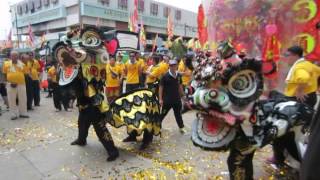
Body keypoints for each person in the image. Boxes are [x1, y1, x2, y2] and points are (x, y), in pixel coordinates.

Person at [268, 46, 320, 166]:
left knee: (280, 131)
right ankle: (282, 156)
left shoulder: (299, 67)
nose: (286, 58)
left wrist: (300, 90)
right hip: (309, 99)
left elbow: (304, 77)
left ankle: (279, 158)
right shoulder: (308, 64)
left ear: (295, 56)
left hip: (298, 102)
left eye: (287, 55)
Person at [159, 59, 186, 134]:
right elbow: (161, 88)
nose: (173, 67)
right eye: (171, 66)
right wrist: (160, 99)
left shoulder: (179, 76)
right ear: (169, 66)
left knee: (178, 115)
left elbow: (180, 87)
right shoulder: (165, 76)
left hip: (177, 99)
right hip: (167, 100)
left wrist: (183, 96)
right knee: (163, 114)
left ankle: (181, 127)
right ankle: (157, 125)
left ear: (177, 66)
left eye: (174, 65)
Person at [2, 51, 29, 120]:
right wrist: (7, 82)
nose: (15, 57)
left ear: (18, 57)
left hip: (21, 84)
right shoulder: (6, 64)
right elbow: (4, 74)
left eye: (16, 56)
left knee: (23, 99)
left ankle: (23, 113)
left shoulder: (22, 64)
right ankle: (13, 114)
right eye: (13, 56)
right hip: (10, 84)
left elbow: (26, 73)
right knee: (11, 100)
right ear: (10, 57)